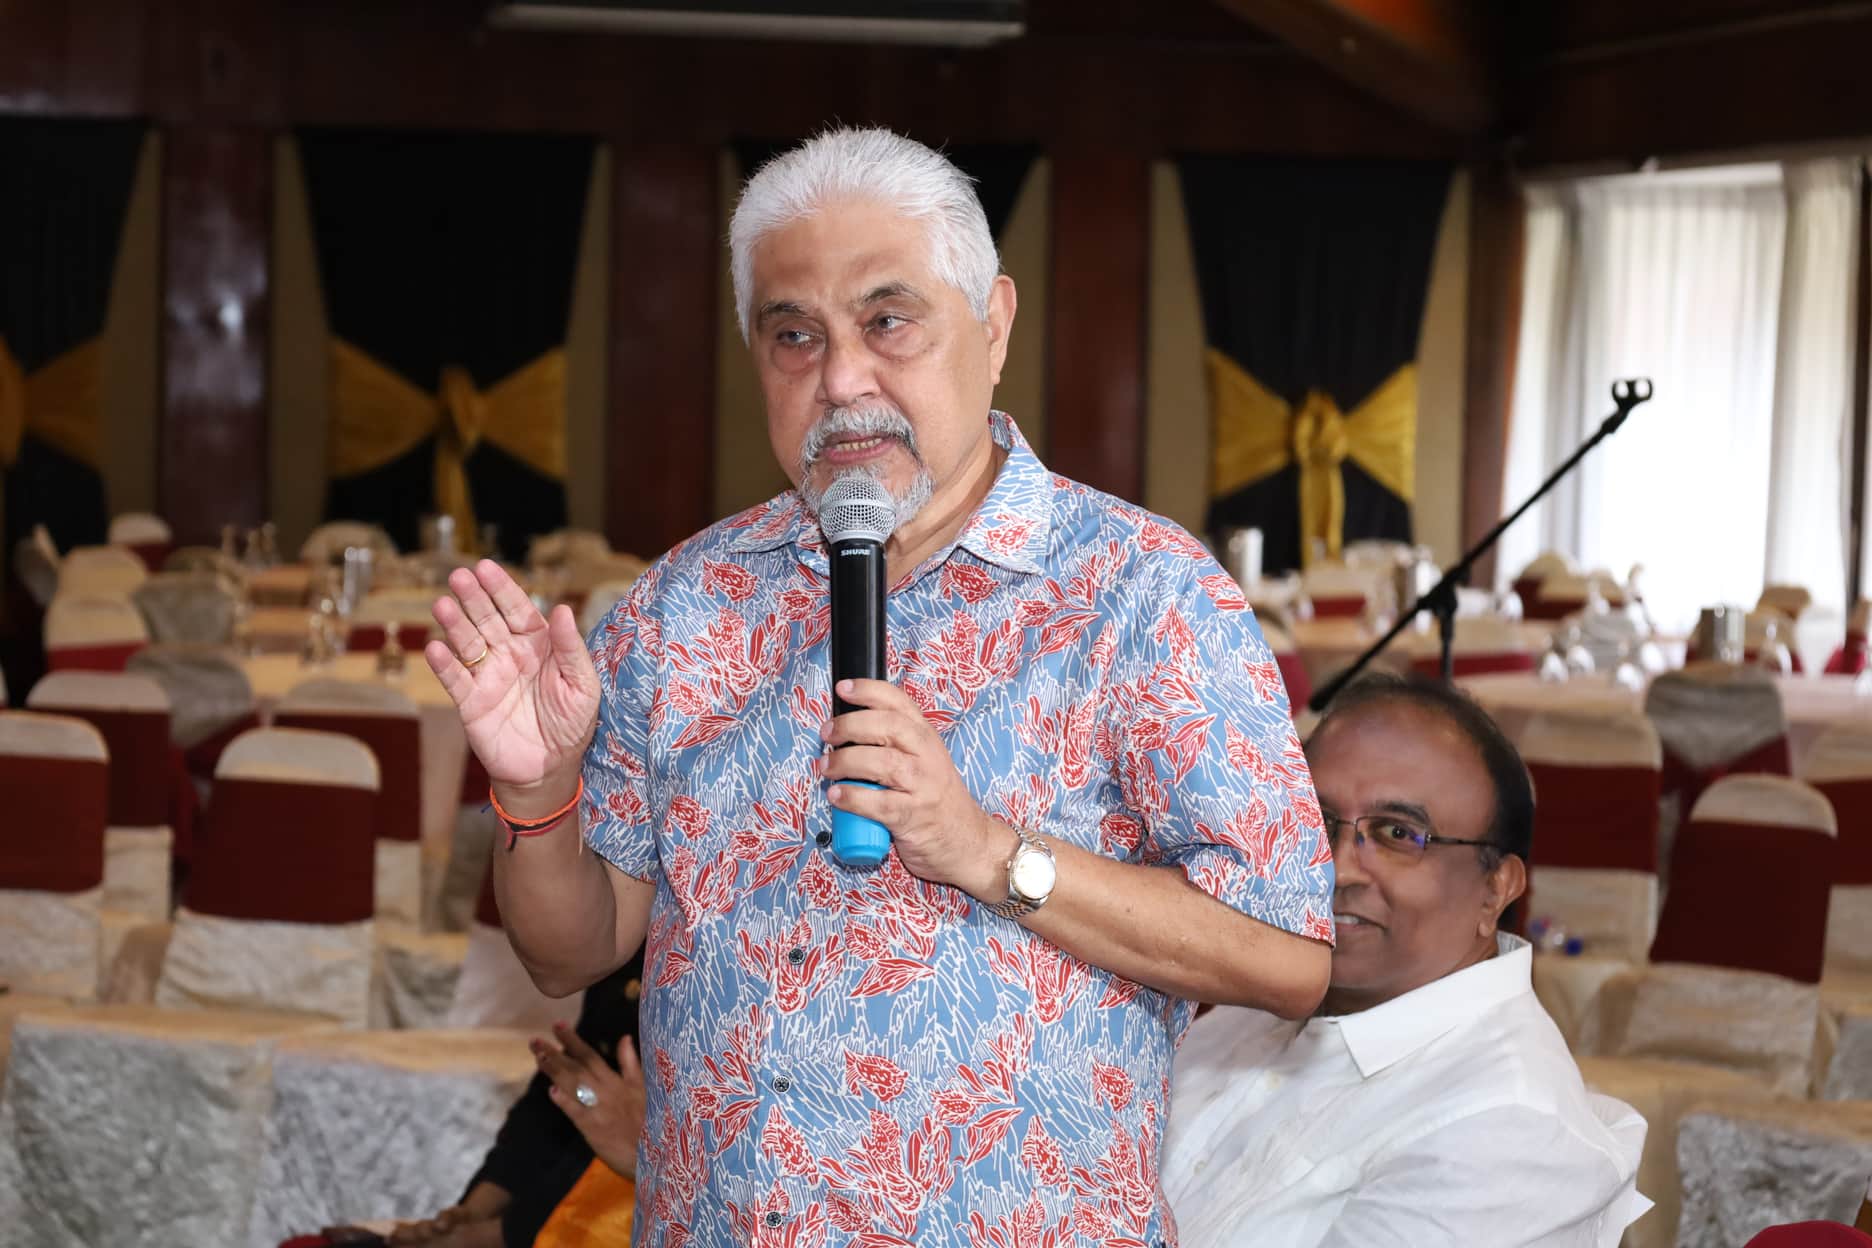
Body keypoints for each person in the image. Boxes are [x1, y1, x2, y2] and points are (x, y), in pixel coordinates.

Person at [426, 125, 1333, 1244]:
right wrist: (538, 792)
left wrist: (989, 853)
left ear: (993, 326)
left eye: (888, 321)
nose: (841, 379)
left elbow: (1288, 958)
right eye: (793, 336)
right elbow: (571, 949)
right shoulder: (688, 601)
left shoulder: (1144, 593)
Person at [1161, 674, 1649, 1245]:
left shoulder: (1504, 1126)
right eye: (1315, 821)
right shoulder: (1259, 1009)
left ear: (1495, 890)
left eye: (1398, 833)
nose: (1336, 868)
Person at [386, 958, 648, 1248]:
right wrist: (476, 1211)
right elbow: (571, 1090)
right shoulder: (633, 950)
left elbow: (628, 1143)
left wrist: (497, 1235)